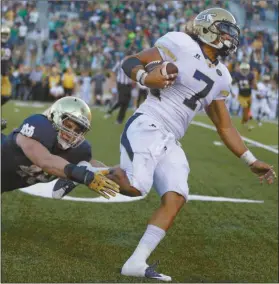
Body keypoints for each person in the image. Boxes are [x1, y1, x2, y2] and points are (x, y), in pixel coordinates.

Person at [119, 8, 276, 281]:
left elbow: (224, 125)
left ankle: (136, 262)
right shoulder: (180, 43)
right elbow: (131, 61)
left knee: (176, 195)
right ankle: (84, 171)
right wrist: (145, 77)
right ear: (208, 29)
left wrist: (250, 160)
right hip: (148, 123)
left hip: (171, 138)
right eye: (225, 30)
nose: (230, 37)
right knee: (135, 187)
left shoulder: (223, 77)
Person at [1, 96, 126, 199]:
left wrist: (123, 175)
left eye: (77, 130)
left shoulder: (78, 151)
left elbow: (100, 169)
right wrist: (82, 175)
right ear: (55, 117)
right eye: (68, 125)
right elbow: (45, 160)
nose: (71, 133)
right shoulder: (39, 126)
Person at [104, 55, 133, 124]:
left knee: (126, 103)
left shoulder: (132, 63)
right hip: (121, 84)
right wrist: (114, 80)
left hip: (129, 85)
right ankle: (110, 111)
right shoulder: (120, 63)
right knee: (121, 101)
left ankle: (120, 119)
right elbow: (113, 71)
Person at [232, 63, 257, 129]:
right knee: (245, 107)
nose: (245, 71)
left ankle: (244, 121)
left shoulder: (251, 75)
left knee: (247, 110)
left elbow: (254, 85)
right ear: (240, 69)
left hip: (249, 96)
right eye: (243, 69)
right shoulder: (237, 75)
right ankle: (246, 122)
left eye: (246, 69)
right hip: (241, 96)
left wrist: (250, 86)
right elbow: (232, 83)